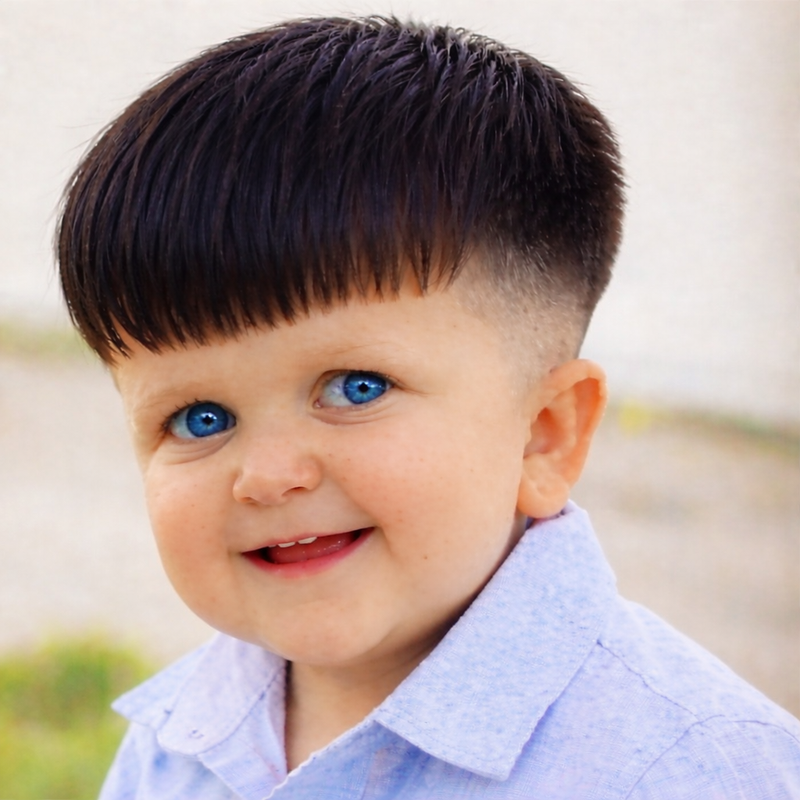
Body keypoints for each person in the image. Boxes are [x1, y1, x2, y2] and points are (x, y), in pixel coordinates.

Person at [57, 16, 800, 799]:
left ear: (543, 435)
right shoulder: (175, 744)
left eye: (356, 387)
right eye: (200, 418)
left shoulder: (699, 771)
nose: (268, 476)